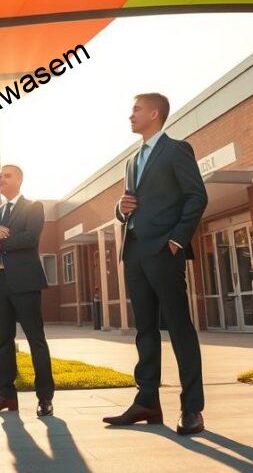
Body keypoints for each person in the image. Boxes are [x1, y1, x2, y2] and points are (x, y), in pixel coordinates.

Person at [103, 93, 208, 436]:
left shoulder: (177, 150)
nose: (129, 115)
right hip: (134, 252)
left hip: (164, 251)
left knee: (178, 327)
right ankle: (147, 400)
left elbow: (197, 197)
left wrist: (177, 240)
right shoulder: (132, 160)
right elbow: (127, 207)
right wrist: (121, 209)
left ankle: (192, 409)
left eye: (135, 109)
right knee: (144, 330)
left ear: (154, 112)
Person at [0, 164, 54, 418]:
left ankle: (45, 398)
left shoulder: (34, 207)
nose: (1, 180)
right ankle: (6, 396)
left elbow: (30, 238)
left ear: (19, 179)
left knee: (35, 340)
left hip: (25, 283)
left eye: (6, 176)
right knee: (4, 343)